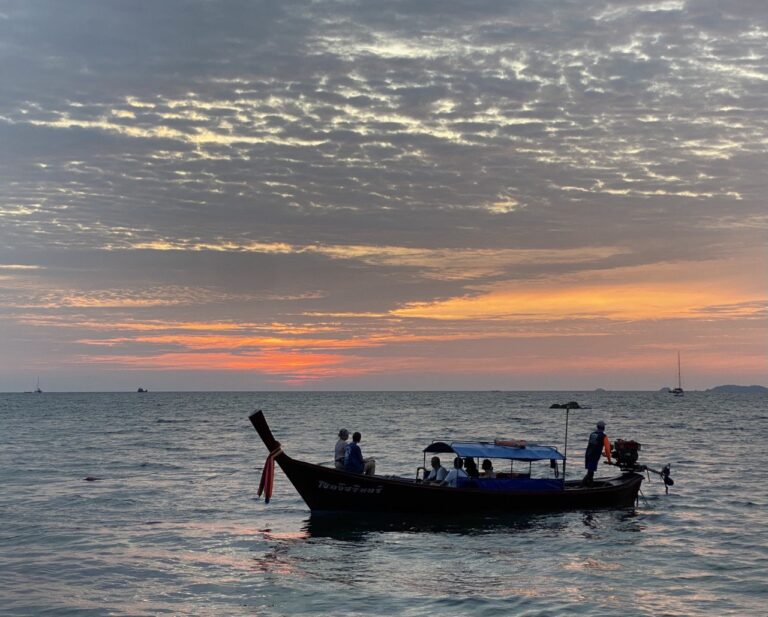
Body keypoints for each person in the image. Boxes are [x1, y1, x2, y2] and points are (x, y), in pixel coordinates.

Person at [583, 420, 612, 486]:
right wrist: (609, 460)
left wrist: (601, 452)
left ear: (597, 427)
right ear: (603, 428)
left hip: (588, 455)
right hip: (594, 456)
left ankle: (589, 485)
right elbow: (607, 449)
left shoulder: (592, 434)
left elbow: (593, 445)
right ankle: (581, 486)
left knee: (590, 472)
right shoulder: (604, 436)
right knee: (590, 473)